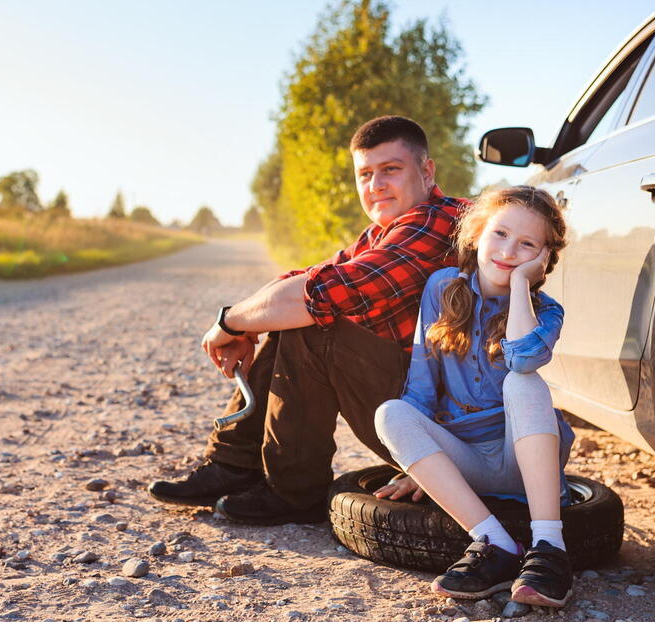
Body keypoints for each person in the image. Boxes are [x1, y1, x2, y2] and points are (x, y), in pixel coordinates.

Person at [147, 115, 466, 525]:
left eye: (391, 170)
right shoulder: (382, 232)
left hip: (450, 432)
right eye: (365, 174)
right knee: (293, 311)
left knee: (315, 321)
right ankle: (234, 464)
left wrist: (230, 323)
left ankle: (294, 491)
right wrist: (252, 321)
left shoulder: (441, 220)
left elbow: (323, 293)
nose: (376, 186)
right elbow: (301, 278)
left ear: (426, 170)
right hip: (416, 414)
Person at [372, 185, 574, 607]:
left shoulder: (547, 311)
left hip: (524, 462)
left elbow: (521, 359)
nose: (508, 251)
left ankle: (549, 547)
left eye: (527, 245)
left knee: (524, 381)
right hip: (467, 461)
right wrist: (422, 465)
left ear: (543, 258)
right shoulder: (442, 287)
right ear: (477, 233)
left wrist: (520, 284)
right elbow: (422, 388)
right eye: (499, 234)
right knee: (390, 413)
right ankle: (495, 544)